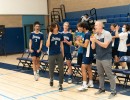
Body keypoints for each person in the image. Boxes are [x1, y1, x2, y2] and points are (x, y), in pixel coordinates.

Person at [90, 21, 117, 99]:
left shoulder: (107, 33)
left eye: (96, 25)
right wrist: (92, 42)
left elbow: (105, 45)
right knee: (100, 74)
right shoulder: (95, 35)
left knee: (109, 75)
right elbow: (93, 48)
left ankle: (113, 91)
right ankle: (101, 89)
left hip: (106, 58)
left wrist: (96, 41)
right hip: (98, 58)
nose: (94, 27)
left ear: (101, 26)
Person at [75, 22, 94, 91]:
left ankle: (84, 84)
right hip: (88, 53)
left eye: (81, 27)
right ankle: (91, 83)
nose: (80, 28)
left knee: (83, 68)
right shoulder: (88, 34)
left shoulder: (87, 34)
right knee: (89, 68)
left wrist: (78, 43)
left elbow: (85, 45)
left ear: (84, 28)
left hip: (87, 53)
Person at [46, 22, 64, 92]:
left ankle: (60, 84)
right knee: (51, 69)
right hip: (51, 54)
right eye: (54, 27)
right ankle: (51, 78)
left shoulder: (60, 35)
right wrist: (49, 36)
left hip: (59, 54)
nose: (55, 28)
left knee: (61, 69)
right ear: (52, 28)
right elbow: (47, 45)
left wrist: (63, 54)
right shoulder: (49, 35)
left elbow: (61, 45)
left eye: (56, 27)